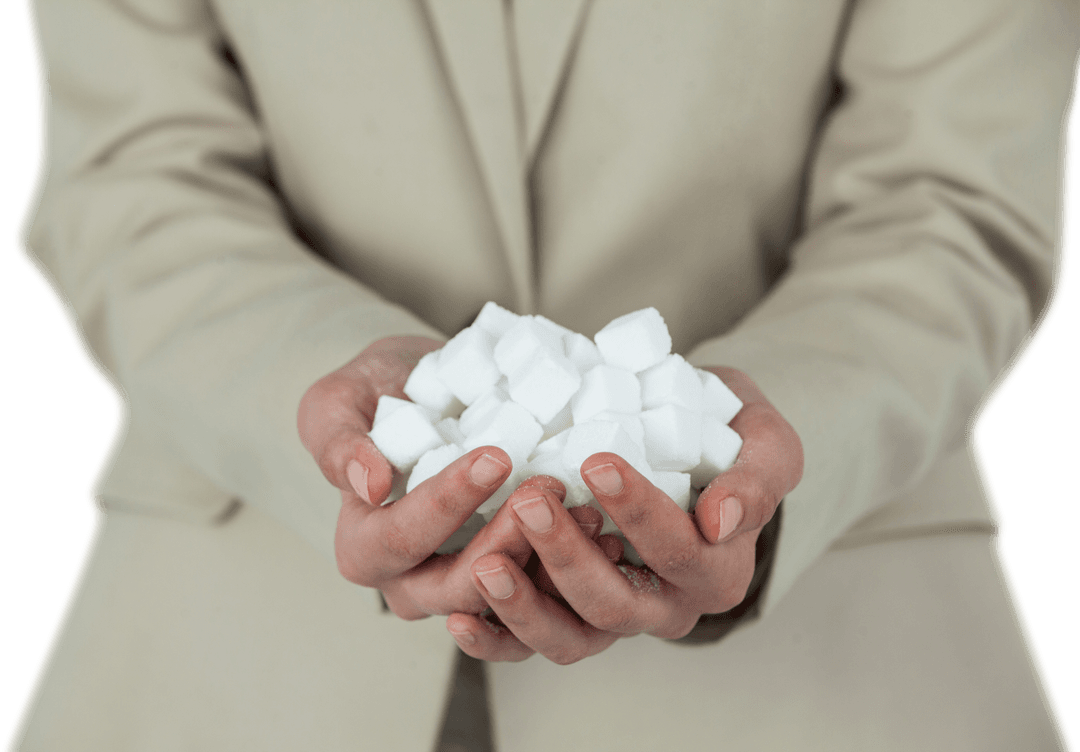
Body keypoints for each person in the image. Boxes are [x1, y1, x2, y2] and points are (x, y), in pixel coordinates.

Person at [7, 1, 1078, 750]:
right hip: (225, 656)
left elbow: (953, 195)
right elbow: (131, 175)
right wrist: (350, 413)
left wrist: (757, 452)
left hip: (844, 665)